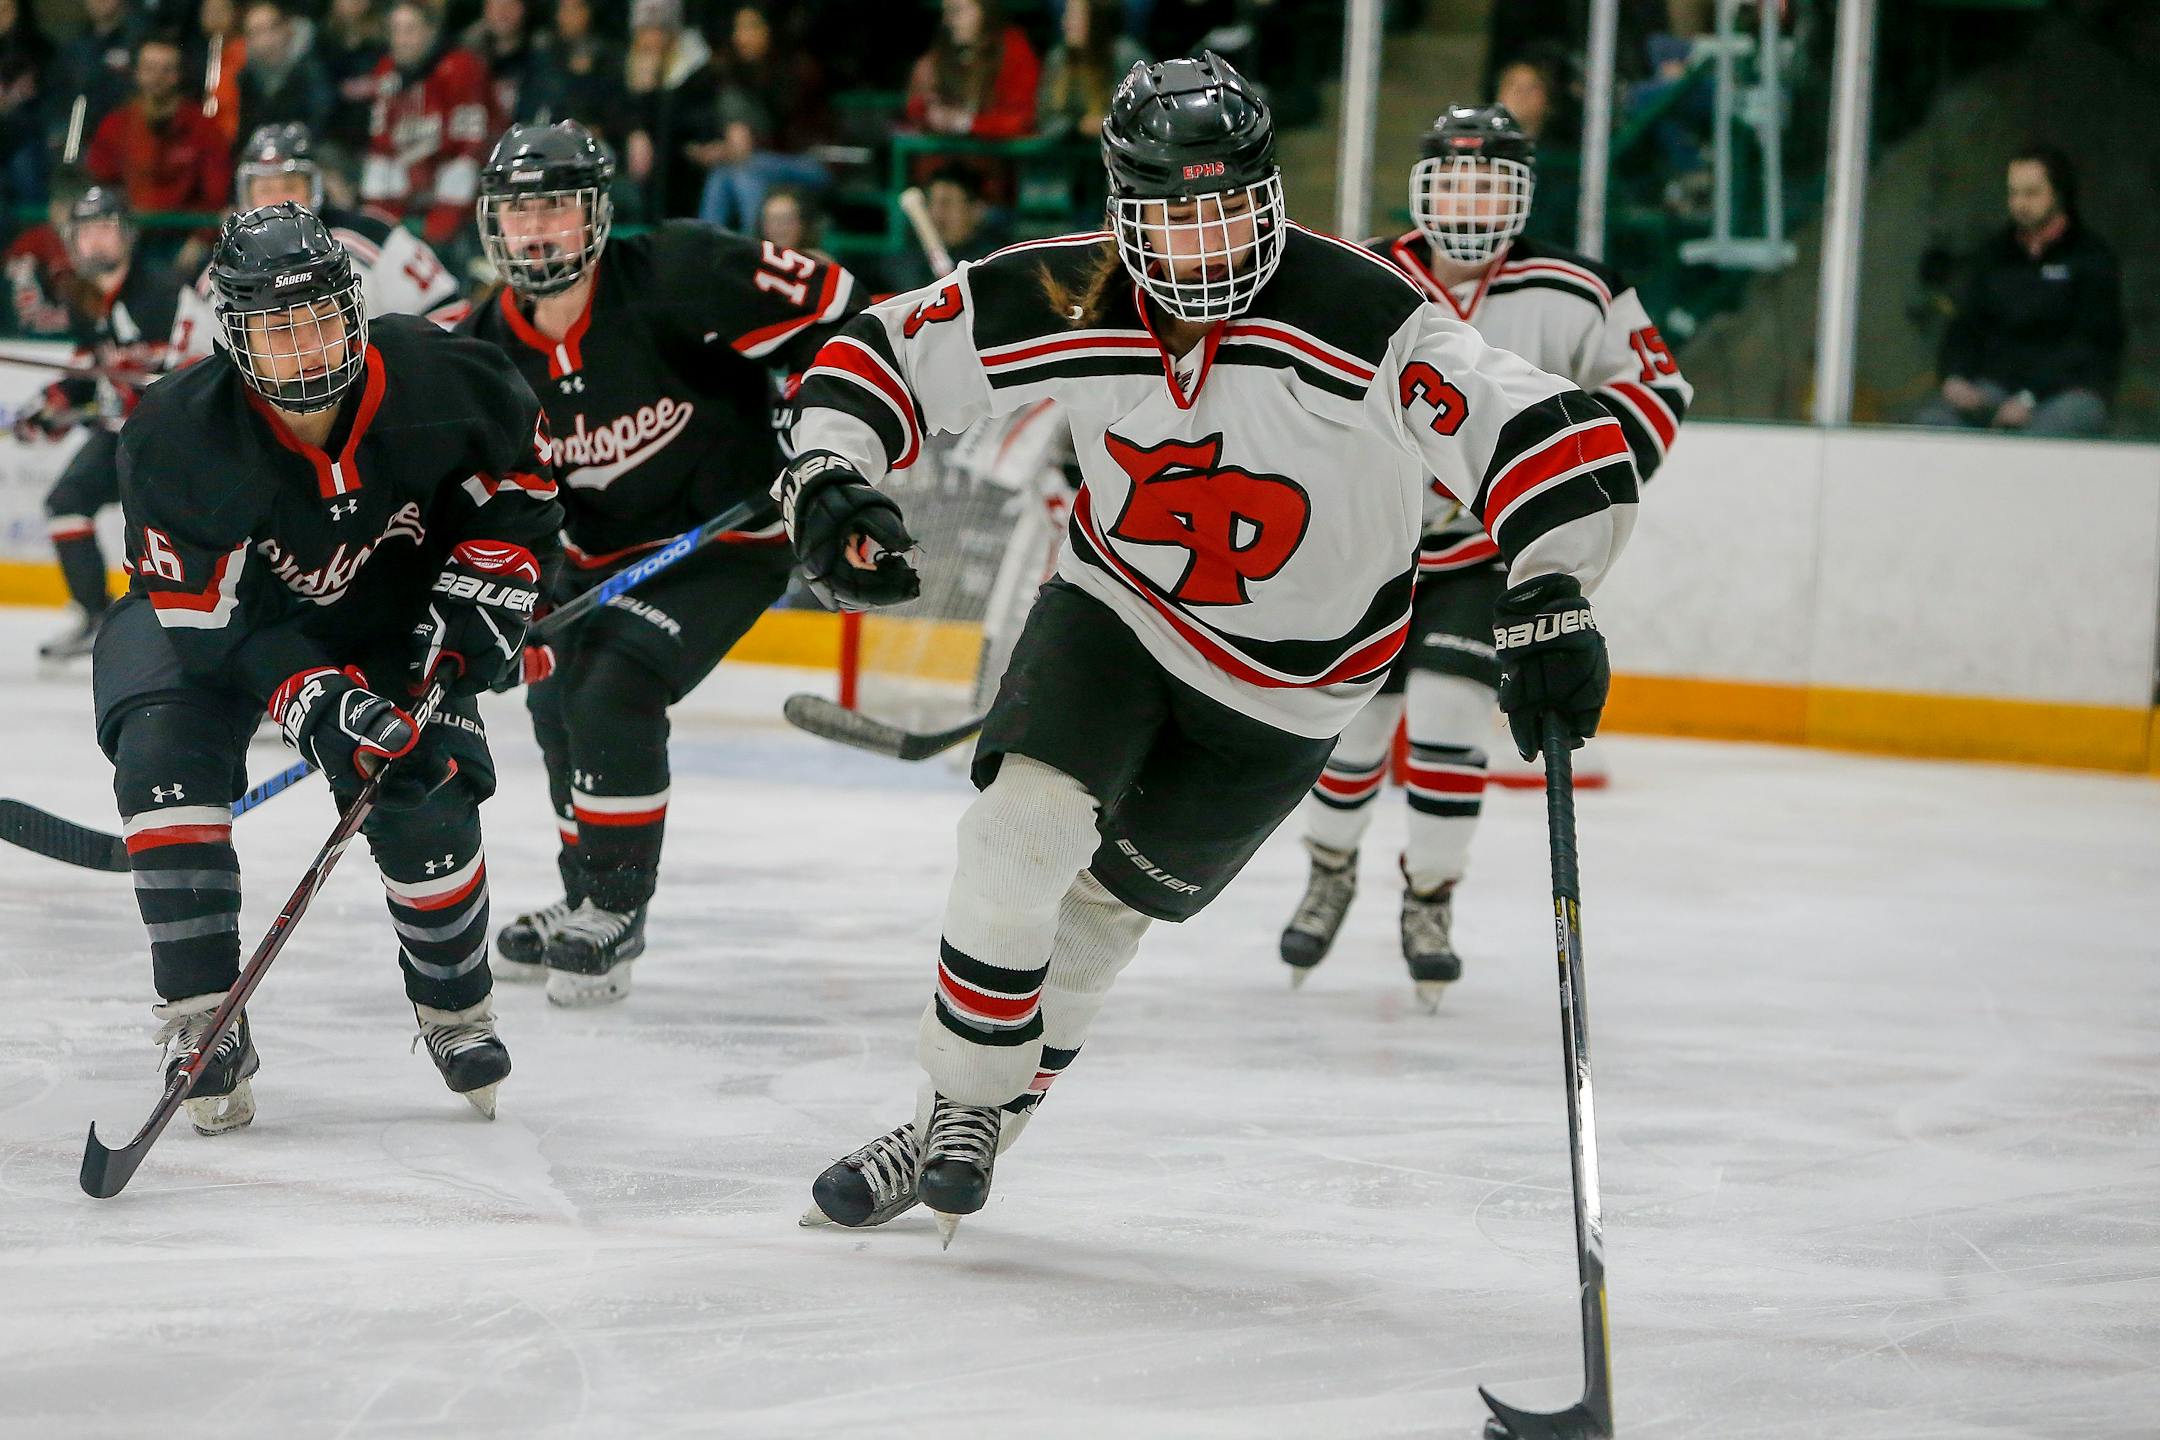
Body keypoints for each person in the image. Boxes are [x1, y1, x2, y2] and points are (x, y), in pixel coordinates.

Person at [787, 55, 1637, 1241]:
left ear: (1270, 195)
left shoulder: (1367, 314)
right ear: (1122, 209)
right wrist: (830, 474)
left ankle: (951, 1119)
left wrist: (1553, 591)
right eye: (1172, 214)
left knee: (1095, 926)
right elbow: (872, 356)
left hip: (1293, 690)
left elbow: (1550, 436)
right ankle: (961, 1104)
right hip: (1118, 615)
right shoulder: (1070, 290)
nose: (1201, 243)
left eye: (1225, 207)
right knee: (1016, 835)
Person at [92, 202, 563, 1135]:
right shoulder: (176, 434)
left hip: (386, 618)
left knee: (422, 784)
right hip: (211, 631)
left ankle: (455, 1004)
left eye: (318, 318)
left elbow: (525, 485)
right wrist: (309, 698)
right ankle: (200, 1020)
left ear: (353, 307)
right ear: (233, 334)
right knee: (164, 764)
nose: (305, 349)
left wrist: (494, 580)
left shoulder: (443, 375)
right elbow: (207, 616)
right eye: (275, 326)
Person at [1277, 103, 1690, 1003]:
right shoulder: (1367, 275)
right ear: (1425, 185)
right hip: (1373, 551)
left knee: (1451, 714)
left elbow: (1655, 388)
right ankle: (1330, 868)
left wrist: (1569, 497)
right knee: (1353, 732)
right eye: (1454, 176)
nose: (1468, 197)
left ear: (1522, 193)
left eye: (1488, 179)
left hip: (1483, 555)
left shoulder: (1580, 289)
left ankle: (1429, 895)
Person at [460, 121, 864, 1006]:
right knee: (554, 696)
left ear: (596, 214)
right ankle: (581, 896)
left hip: (726, 539)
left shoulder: (677, 270)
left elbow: (838, 306)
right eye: (519, 210)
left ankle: (615, 909)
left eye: (557, 207)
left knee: (616, 687)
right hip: (595, 558)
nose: (537, 231)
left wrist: (808, 418)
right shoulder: (483, 348)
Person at [28, 186, 217, 662]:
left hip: (174, 442)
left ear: (127, 236)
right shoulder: (83, 298)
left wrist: (148, 391)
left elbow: (197, 378)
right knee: (67, 501)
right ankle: (94, 612)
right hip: (121, 435)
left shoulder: (165, 295)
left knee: (171, 533)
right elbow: (85, 377)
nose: (94, 243)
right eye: (85, 232)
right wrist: (51, 410)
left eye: (104, 230)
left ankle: (187, 623)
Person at [1913, 145, 2123, 439]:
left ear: (2059, 194)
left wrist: (2029, 397)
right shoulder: (1993, 255)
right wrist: (1955, 378)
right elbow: (1965, 326)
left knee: (2035, 442)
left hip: (2066, 392)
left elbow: (2091, 344)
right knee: (1931, 424)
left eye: (2032, 193)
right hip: (1996, 388)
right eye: (2014, 193)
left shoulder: (2090, 258)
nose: (2020, 203)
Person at [226, 121, 466, 324]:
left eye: (290, 186)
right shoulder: (226, 263)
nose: (277, 201)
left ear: (314, 188)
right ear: (246, 194)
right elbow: (195, 358)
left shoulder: (373, 235)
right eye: (265, 188)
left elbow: (447, 314)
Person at [361, 0, 495, 248]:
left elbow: (472, 146)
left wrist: (440, 218)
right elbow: (380, 142)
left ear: (431, 32)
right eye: (396, 31)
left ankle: (443, 243)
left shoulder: (462, 67)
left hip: (450, 172)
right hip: (412, 172)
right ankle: (379, 236)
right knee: (377, 168)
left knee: (461, 170)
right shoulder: (386, 70)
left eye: (410, 30)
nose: (401, 39)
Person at [693, 3, 828, 233]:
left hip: (812, 160)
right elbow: (698, 112)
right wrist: (721, 147)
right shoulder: (731, 70)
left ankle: (757, 252)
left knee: (745, 168)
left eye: (751, 27)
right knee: (723, 171)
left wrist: (747, 145)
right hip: (757, 159)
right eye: (738, 29)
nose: (742, 36)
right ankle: (706, 250)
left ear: (770, 31)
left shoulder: (798, 69)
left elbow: (790, 136)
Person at [84, 34, 233, 213]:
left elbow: (215, 195)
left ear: (179, 75)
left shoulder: (204, 129)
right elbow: (99, 182)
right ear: (136, 73)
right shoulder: (114, 125)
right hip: (127, 233)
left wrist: (200, 238)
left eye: (167, 70)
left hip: (186, 235)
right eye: (149, 68)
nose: (157, 77)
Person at [621, 0, 719, 219]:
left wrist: (651, 92)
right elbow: (615, 115)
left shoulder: (695, 68)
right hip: (635, 164)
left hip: (683, 165)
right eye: (644, 30)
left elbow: (692, 123)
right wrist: (636, 129)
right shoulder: (623, 62)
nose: (650, 38)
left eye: (657, 30)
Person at [905, 0, 1038, 139]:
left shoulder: (1013, 50)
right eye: (946, 12)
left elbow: (1021, 120)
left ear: (985, 11)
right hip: (947, 155)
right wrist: (930, 111)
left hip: (998, 156)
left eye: (956, 11)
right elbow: (915, 108)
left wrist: (967, 123)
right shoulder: (942, 52)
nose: (947, 21)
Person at [879, 167, 1006, 294]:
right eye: (932, 203)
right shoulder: (906, 263)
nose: (937, 215)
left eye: (947, 203)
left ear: (977, 210)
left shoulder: (994, 261)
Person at [520, 0, 625, 137]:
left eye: (576, 9)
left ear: (587, 13)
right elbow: (530, 105)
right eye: (565, 9)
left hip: (592, 140)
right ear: (557, 14)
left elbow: (614, 105)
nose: (570, 16)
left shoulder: (605, 57)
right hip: (547, 137)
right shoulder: (543, 54)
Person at [236, 0, 332, 140]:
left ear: (288, 28)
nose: (266, 41)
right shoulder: (246, 79)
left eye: (272, 28)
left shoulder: (316, 67)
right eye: (256, 32)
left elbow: (322, 121)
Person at [315, 0, 384, 152]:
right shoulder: (323, 40)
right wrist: (339, 91)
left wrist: (376, 85)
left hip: (378, 130)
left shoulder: (385, 36)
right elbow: (317, 90)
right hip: (335, 132)